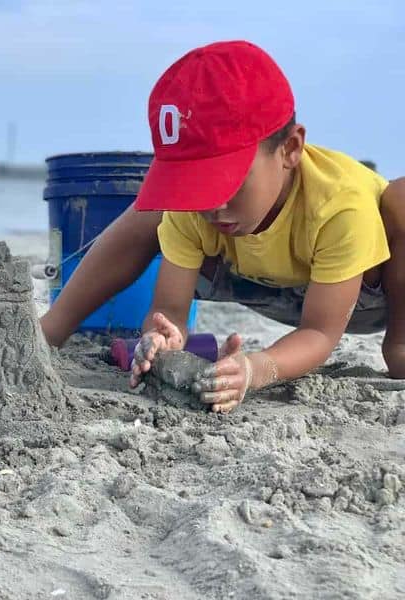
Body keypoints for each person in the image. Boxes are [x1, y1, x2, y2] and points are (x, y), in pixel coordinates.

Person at [39, 40, 405, 414]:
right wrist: (164, 336)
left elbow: (321, 333)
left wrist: (256, 368)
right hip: (264, 282)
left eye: (225, 183)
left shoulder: (337, 204)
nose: (213, 205)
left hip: (369, 291)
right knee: (153, 212)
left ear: (290, 149)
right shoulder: (198, 209)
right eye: (194, 184)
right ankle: (50, 329)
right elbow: (169, 308)